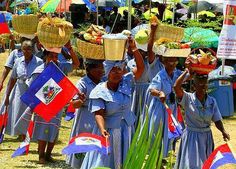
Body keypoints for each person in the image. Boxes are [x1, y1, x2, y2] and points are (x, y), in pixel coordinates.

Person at [81, 37, 144, 169]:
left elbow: (141, 69)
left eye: (119, 70)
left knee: (126, 160)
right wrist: (102, 129)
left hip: (127, 130)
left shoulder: (126, 82)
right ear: (108, 73)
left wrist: (134, 49)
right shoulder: (100, 91)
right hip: (109, 131)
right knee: (106, 161)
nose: (117, 73)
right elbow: (99, 114)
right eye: (113, 71)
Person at [15, 45, 80, 164]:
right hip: (43, 104)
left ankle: (49, 154)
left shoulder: (61, 66)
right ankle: (41, 156)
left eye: (56, 56)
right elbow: (32, 89)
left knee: (54, 128)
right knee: (42, 129)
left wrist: (70, 49)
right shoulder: (39, 70)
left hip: (57, 103)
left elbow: (76, 64)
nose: (54, 59)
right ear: (46, 56)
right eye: (51, 56)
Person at [174, 70, 230, 169]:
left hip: (206, 138)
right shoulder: (187, 98)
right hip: (192, 137)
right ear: (193, 87)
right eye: (200, 85)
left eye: (205, 85)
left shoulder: (212, 101)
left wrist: (223, 131)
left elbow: (217, 119)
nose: (203, 88)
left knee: (205, 164)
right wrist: (187, 73)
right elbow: (176, 87)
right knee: (191, 165)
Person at [66, 59, 104, 168]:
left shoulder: (104, 82)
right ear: (89, 70)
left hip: (100, 117)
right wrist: (81, 100)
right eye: (98, 68)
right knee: (84, 142)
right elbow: (73, 103)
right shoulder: (83, 83)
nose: (101, 70)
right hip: (85, 118)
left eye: (102, 67)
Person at [2, 40, 43, 137]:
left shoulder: (39, 62)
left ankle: (27, 134)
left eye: (29, 49)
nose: (27, 51)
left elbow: (42, 78)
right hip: (19, 89)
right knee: (18, 110)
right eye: (25, 49)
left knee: (29, 111)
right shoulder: (18, 61)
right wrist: (7, 95)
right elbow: (13, 78)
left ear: (32, 50)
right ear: (22, 50)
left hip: (32, 90)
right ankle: (20, 133)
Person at [147, 55, 182, 158]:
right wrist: (159, 93)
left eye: (174, 62)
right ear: (164, 62)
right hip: (160, 107)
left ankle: (168, 155)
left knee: (172, 132)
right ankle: (155, 157)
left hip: (172, 107)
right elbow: (151, 89)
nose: (172, 65)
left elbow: (188, 76)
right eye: (170, 62)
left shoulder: (177, 73)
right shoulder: (160, 75)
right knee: (157, 132)